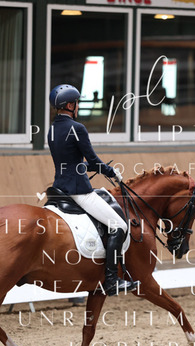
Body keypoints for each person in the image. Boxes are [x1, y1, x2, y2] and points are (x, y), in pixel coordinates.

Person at [47, 84, 139, 296]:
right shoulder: (77, 128)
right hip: (78, 191)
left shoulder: (52, 129)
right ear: (70, 105)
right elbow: (93, 160)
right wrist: (110, 171)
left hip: (59, 187)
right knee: (119, 226)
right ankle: (111, 280)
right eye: (76, 103)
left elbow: (71, 162)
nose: (78, 106)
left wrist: (90, 167)